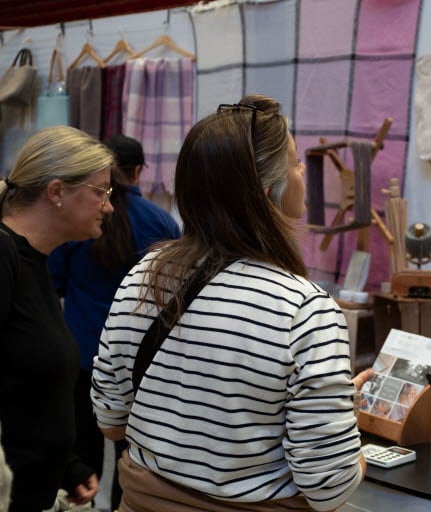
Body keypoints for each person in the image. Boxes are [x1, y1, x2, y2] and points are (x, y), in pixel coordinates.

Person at [91, 94, 371, 512]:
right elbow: (328, 487)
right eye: (295, 162)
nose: (301, 171)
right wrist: (341, 422)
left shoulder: (145, 276)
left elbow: (111, 422)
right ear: (266, 193)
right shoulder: (305, 310)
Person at [47, 134, 181, 509]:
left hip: (81, 355)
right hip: (141, 362)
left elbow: (54, 280)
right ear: (138, 171)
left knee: (82, 459)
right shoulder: (161, 223)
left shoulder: (78, 220)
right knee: (134, 457)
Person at [0, 126, 114, 511]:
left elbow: (23, 389)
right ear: (56, 192)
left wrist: (67, 465)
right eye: (101, 192)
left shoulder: (35, 262)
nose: (108, 206)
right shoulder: (4, 256)